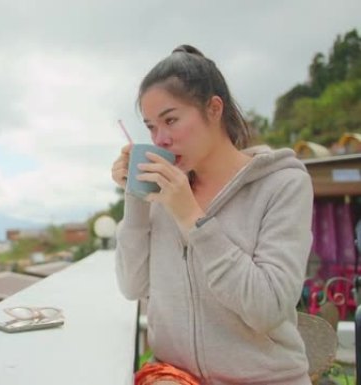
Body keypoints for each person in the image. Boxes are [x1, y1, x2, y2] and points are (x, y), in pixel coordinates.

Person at [111, 45, 313, 384]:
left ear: (214, 108)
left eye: (171, 120)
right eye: (150, 127)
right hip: (176, 378)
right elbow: (133, 286)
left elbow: (268, 308)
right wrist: (136, 197)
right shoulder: (165, 192)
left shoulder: (283, 184)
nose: (161, 139)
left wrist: (192, 217)